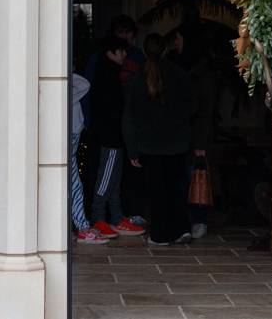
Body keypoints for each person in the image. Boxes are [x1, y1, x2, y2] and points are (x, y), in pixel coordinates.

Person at [123, 32, 194, 246]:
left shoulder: (138, 79)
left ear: (144, 51)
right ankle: (181, 229)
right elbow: (193, 106)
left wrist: (132, 148)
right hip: (177, 142)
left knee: (156, 192)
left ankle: (160, 234)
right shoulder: (180, 75)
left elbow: (130, 117)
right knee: (177, 189)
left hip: (149, 145)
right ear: (166, 49)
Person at [84, 35, 145, 238]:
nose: (125, 54)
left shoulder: (107, 73)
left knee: (113, 178)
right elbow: (110, 111)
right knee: (106, 178)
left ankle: (116, 218)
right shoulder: (107, 76)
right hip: (110, 138)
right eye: (121, 50)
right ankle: (99, 219)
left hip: (112, 137)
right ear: (111, 53)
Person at [173, 27, 217, 240]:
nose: (176, 44)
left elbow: (205, 111)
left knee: (196, 179)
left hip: (196, 138)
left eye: (179, 40)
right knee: (188, 179)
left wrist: (201, 143)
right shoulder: (187, 69)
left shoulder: (201, 74)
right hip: (185, 136)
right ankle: (191, 220)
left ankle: (199, 220)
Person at [68, 73, 107, 245]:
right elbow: (85, 84)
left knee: (73, 183)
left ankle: (78, 227)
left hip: (71, 136)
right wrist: (64, 70)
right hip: (70, 137)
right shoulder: (67, 93)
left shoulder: (68, 92)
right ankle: (82, 228)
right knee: (74, 183)